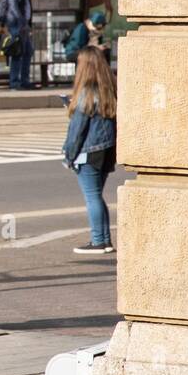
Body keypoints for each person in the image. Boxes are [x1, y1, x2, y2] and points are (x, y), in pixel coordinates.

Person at [62, 46, 117, 255]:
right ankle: (105, 240)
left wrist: (69, 155)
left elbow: (77, 131)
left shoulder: (85, 93)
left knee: (92, 196)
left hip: (89, 151)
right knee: (97, 195)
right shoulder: (109, 89)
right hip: (106, 150)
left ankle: (98, 241)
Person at [0, 0, 35, 90]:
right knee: (17, 52)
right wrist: (22, 23)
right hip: (16, 24)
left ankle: (24, 80)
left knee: (27, 51)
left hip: (22, 24)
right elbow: (13, 6)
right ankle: (15, 82)